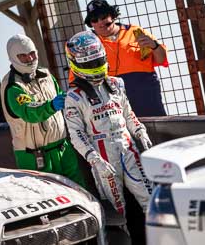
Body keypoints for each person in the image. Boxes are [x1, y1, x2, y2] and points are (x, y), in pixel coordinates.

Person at [64, 31, 153, 236]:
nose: (95, 67)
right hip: (103, 157)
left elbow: (128, 114)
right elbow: (76, 134)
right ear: (76, 64)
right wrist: (94, 159)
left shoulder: (116, 84)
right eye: (89, 64)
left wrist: (140, 132)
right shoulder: (73, 97)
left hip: (128, 148)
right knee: (118, 210)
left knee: (150, 199)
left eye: (97, 61)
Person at [0, 34, 85, 187]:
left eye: (32, 53)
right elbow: (28, 112)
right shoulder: (12, 86)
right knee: (48, 199)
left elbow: (63, 102)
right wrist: (51, 105)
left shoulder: (46, 75)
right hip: (35, 156)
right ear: (13, 57)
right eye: (23, 56)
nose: (30, 58)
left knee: (79, 191)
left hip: (63, 147)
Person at [68, 0, 169, 117]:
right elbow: (75, 78)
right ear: (91, 24)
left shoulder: (135, 31)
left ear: (113, 15)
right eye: (94, 19)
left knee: (158, 131)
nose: (100, 22)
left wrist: (154, 45)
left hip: (145, 94)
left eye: (103, 16)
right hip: (110, 99)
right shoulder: (88, 43)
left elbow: (161, 59)